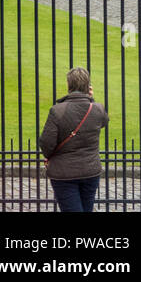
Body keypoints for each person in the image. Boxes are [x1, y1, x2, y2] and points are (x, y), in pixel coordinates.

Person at [39, 67, 108, 212]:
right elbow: (104, 122)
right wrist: (91, 99)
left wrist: (50, 156)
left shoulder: (58, 110)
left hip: (64, 173)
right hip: (91, 171)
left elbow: (46, 144)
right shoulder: (98, 108)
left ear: (68, 85)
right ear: (88, 86)